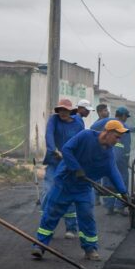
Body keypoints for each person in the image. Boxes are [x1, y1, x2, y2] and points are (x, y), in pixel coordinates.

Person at [32, 120, 129, 261]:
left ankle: (90, 249)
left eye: (120, 137)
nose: (118, 140)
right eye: (117, 136)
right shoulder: (86, 136)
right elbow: (66, 149)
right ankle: (40, 245)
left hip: (83, 188)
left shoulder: (108, 154)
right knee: (51, 213)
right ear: (107, 132)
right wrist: (76, 167)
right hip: (64, 183)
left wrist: (123, 192)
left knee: (87, 217)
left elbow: (113, 171)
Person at [42, 98, 85, 238]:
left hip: (69, 164)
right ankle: (47, 226)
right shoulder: (54, 120)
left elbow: (81, 141)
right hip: (55, 161)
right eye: (60, 109)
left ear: (71, 111)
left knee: (68, 193)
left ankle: (71, 228)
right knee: (49, 191)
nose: (62, 112)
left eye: (65, 110)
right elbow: (49, 135)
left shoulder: (78, 123)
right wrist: (54, 149)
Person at [102, 107, 132, 216]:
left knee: (109, 181)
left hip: (108, 155)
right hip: (120, 158)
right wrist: (127, 158)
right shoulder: (124, 128)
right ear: (123, 115)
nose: (126, 119)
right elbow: (127, 146)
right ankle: (120, 206)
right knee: (122, 180)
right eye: (126, 116)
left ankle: (109, 207)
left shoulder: (109, 124)